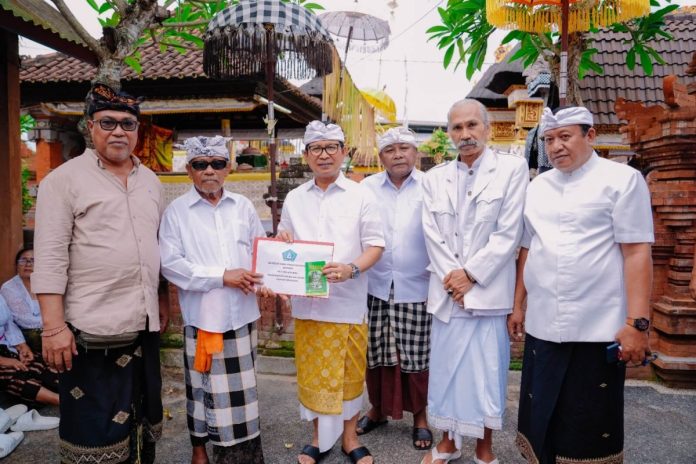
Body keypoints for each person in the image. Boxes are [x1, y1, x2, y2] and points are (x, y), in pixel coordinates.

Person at [509, 106, 654, 464]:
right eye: (549, 139)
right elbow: (528, 246)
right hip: (543, 324)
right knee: (540, 415)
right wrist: (518, 304)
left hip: (598, 327)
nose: (556, 146)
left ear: (590, 136)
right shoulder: (539, 186)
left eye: (565, 136)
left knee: (588, 423)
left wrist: (637, 324)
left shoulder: (622, 180)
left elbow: (636, 253)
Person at [31, 83, 166, 464]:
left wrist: (158, 301)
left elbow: (155, 248)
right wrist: (53, 328)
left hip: (142, 328)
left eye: (128, 123)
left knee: (140, 426)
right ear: (90, 127)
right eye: (108, 122)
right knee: (93, 435)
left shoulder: (151, 182)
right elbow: (51, 257)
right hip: (89, 334)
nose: (119, 131)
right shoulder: (63, 181)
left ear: (139, 130)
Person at [420, 99, 529, 464]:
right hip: (448, 295)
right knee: (447, 372)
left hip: (487, 294)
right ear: (448, 133)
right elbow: (431, 234)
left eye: (471, 126)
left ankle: (485, 449)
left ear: (486, 127)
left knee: (486, 375)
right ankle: (449, 443)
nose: (465, 134)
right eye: (457, 128)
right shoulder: (434, 178)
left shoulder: (511, 170)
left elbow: (508, 233)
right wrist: (455, 282)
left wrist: (471, 277)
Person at [277, 121, 384, 464]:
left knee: (349, 375)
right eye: (316, 149)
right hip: (308, 305)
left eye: (331, 147)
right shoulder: (295, 198)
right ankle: (318, 439)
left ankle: (350, 438)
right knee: (313, 376)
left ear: (344, 152)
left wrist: (351, 268)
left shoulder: (362, 194)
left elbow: (376, 246)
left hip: (348, 304)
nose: (324, 155)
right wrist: (281, 247)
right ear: (306, 155)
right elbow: (284, 239)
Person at [159, 136, 270, 464]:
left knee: (243, 390)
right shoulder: (177, 212)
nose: (209, 170)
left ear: (228, 169)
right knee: (201, 388)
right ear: (188, 170)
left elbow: (258, 250)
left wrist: (268, 277)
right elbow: (171, 265)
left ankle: (244, 455)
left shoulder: (243, 207)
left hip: (242, 315)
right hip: (204, 318)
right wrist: (222, 276)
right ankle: (199, 450)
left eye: (217, 164)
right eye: (200, 164)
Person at [357, 127, 433, 450]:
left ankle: (420, 417)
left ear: (416, 153)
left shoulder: (431, 187)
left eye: (405, 148)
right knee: (375, 352)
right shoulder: (366, 188)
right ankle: (377, 409)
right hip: (374, 284)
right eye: (390, 149)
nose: (398, 154)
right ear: (380, 157)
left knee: (416, 355)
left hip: (417, 284)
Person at [0, 294, 59, 406]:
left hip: (6, 346)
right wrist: (3, 361)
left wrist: (21, 346)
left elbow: (7, 323)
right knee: (13, 377)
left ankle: (78, 394)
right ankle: (63, 402)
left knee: (41, 363)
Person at [1, 247, 43, 353]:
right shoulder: (9, 288)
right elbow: (24, 320)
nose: (28, 264)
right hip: (23, 337)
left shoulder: (48, 285)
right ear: (16, 266)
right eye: (23, 260)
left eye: (33, 260)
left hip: (51, 333)